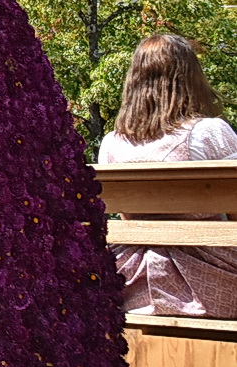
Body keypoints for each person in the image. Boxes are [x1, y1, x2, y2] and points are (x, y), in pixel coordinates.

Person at [99, 33, 237, 318]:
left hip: (129, 285)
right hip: (211, 286)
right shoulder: (210, 132)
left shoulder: (111, 144)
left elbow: (127, 218)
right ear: (191, 79)